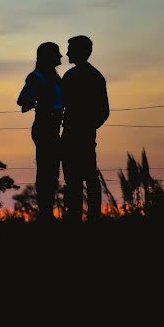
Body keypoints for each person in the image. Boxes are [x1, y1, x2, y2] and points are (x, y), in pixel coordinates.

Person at [61, 35, 109, 222]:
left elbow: (103, 111)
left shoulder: (76, 77)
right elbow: (103, 112)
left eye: (70, 49)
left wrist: (85, 126)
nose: (67, 53)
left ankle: (84, 216)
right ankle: (83, 215)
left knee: (82, 177)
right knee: (80, 178)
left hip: (79, 134)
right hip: (79, 133)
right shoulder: (92, 76)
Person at [17, 42, 63, 221]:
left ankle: (47, 210)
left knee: (52, 171)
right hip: (44, 127)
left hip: (54, 127)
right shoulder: (36, 77)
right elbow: (23, 100)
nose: (61, 57)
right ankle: (45, 212)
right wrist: (41, 100)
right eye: (56, 54)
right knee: (46, 171)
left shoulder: (56, 78)